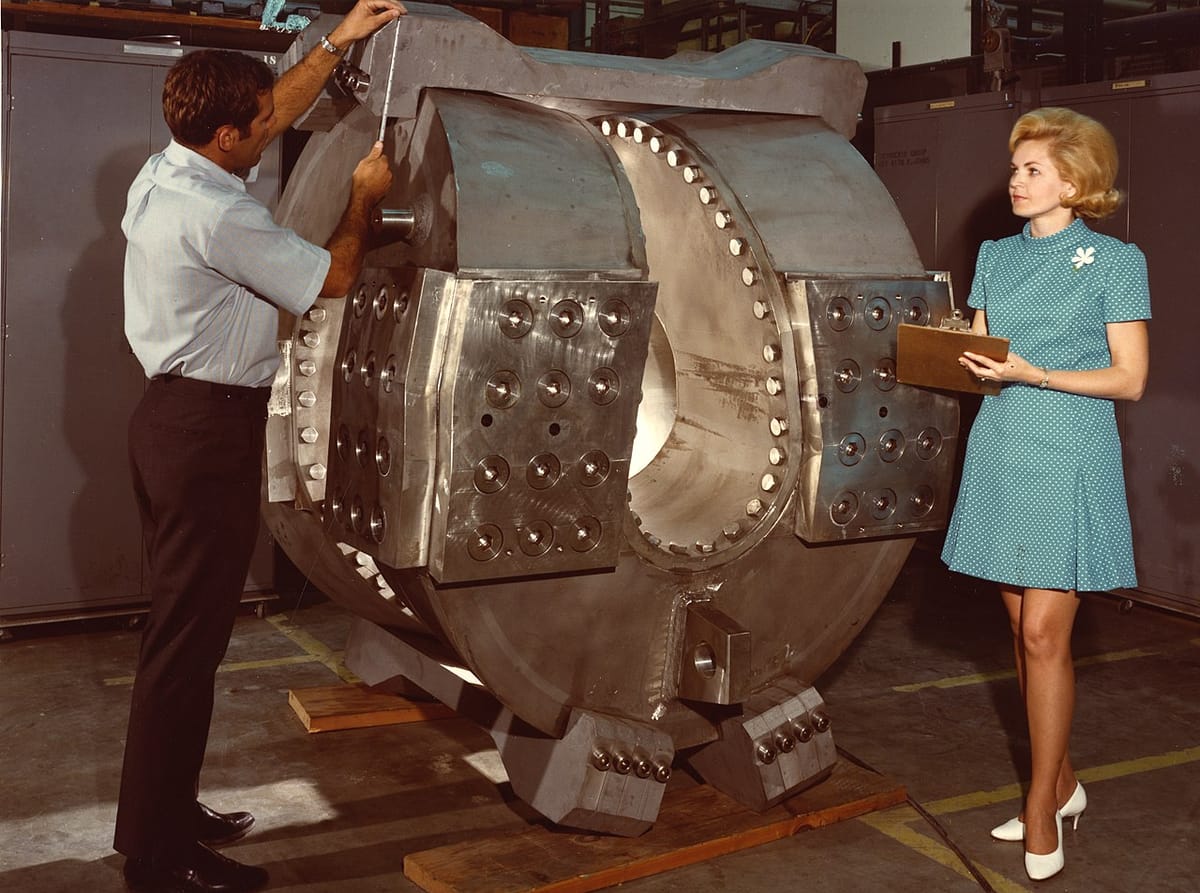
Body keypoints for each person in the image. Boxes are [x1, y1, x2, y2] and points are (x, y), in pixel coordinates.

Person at [114, 3, 406, 891]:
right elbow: (336, 278)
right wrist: (363, 199)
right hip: (206, 434)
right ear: (227, 137)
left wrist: (337, 44)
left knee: (185, 639)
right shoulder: (220, 218)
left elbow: (267, 105)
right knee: (185, 645)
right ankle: (159, 854)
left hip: (170, 424)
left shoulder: (166, 170)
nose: (269, 131)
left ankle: (164, 806)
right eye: (259, 129)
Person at [941, 106, 1150, 882]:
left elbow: (1129, 379)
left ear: (1075, 180)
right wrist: (950, 348)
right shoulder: (994, 254)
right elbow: (985, 347)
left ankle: (1039, 806)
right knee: (1020, 630)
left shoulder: (1117, 261)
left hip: (1069, 449)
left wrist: (1034, 372)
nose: (1016, 181)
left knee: (1041, 638)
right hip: (1000, 447)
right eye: (1015, 168)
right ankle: (1064, 783)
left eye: (1033, 170)